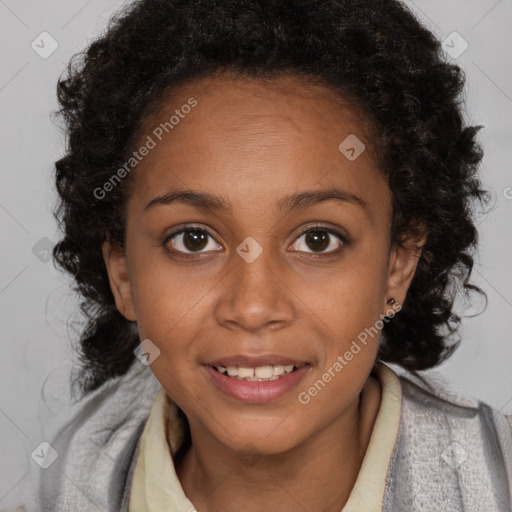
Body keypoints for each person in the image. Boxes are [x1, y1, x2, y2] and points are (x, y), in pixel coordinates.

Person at [15, 0, 512, 510]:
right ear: (123, 274)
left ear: (398, 265)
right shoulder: (59, 483)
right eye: (193, 239)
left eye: (318, 239)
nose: (253, 308)